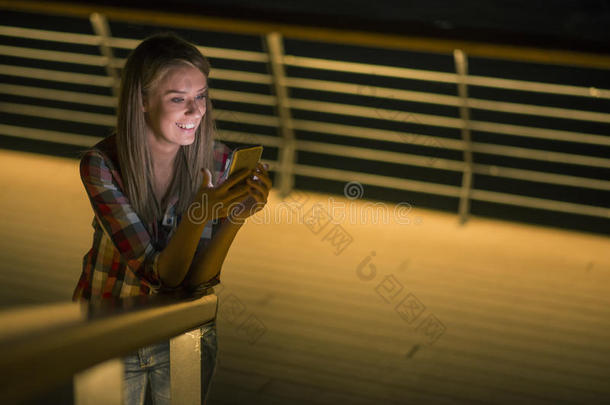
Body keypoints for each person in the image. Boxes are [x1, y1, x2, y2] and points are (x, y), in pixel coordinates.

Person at [72, 32, 271, 404]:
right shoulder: (102, 166)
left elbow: (199, 280)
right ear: (142, 101)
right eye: (178, 99)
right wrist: (201, 213)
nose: (196, 112)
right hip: (112, 331)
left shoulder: (217, 161)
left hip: (185, 332)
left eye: (201, 97)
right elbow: (160, 275)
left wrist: (237, 216)